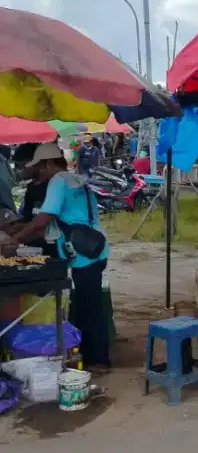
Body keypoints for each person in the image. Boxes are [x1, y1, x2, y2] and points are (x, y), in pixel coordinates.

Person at [12, 144, 110, 371]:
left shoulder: (57, 182)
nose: (38, 173)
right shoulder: (76, 179)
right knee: (89, 303)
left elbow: (43, 219)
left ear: (48, 164)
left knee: (89, 306)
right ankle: (91, 354)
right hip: (95, 248)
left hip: (82, 252)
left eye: (39, 167)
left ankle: (98, 360)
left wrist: (15, 241)